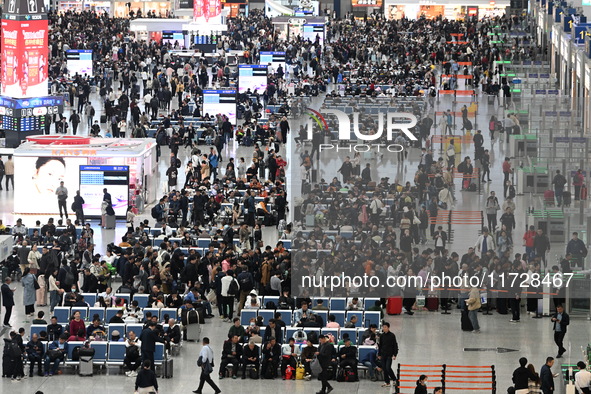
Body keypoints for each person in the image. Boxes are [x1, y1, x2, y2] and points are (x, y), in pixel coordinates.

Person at [378, 322, 398, 387]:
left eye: (385, 327)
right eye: (383, 327)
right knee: (384, 368)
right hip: (383, 354)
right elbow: (380, 345)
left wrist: (395, 354)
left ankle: (394, 379)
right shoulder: (382, 336)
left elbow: (395, 345)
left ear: (388, 328)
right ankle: (387, 382)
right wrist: (379, 354)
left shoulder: (392, 335)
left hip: (389, 354)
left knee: (388, 367)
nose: (384, 328)